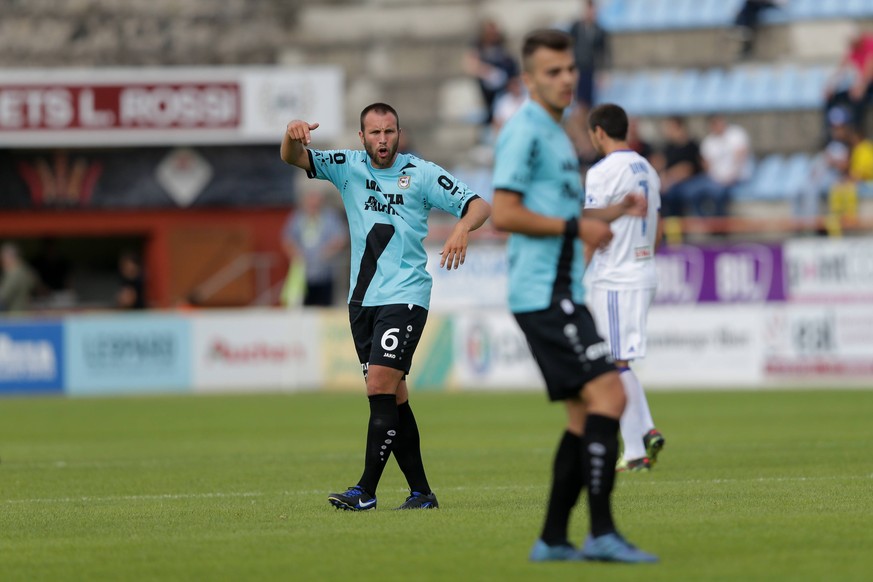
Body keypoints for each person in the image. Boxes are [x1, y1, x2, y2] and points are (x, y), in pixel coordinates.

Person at [490, 29, 657, 563]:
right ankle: (602, 533)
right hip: (541, 293)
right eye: (552, 72)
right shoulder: (526, 133)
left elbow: (565, 215)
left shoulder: (559, 136)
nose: (565, 79)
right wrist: (577, 232)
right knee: (612, 395)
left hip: (560, 290)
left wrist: (609, 214)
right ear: (529, 79)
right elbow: (507, 213)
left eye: (569, 70)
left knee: (583, 417)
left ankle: (553, 539)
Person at [280, 102, 491, 511]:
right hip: (362, 302)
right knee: (393, 396)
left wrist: (462, 227)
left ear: (400, 133)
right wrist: (291, 134)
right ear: (362, 137)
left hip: (405, 296)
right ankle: (421, 493)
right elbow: (293, 157)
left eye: (389, 132)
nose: (382, 140)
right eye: (374, 133)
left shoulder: (422, 173)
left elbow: (479, 205)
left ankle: (366, 491)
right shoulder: (347, 166)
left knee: (378, 386)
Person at [582, 103, 666, 473]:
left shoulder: (602, 172)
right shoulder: (647, 167)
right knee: (617, 360)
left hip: (616, 276)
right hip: (642, 270)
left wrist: (574, 273)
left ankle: (635, 450)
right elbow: (658, 225)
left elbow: (593, 225)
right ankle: (644, 431)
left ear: (598, 131)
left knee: (614, 362)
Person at [281, 190, 348, 307]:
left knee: (326, 306)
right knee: (303, 307)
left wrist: (328, 251)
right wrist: (296, 254)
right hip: (303, 274)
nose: (313, 205)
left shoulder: (330, 217)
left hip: (326, 272)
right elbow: (287, 239)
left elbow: (341, 238)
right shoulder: (296, 218)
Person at [659, 116, 726, 217]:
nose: (667, 131)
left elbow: (687, 169)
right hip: (675, 186)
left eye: (670, 128)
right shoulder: (669, 148)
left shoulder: (692, 146)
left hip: (693, 182)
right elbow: (663, 166)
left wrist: (670, 178)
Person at [464, 20, 519, 126]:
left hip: (505, 93)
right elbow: (470, 65)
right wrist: (488, 73)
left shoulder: (503, 49)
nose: (493, 35)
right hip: (486, 95)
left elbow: (513, 70)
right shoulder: (479, 48)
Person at [823, 26, 873, 138]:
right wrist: (830, 85)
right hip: (862, 83)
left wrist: (861, 86)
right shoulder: (852, 49)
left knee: (858, 99)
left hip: (868, 84)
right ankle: (830, 132)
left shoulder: (870, 43)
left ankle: (857, 132)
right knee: (834, 97)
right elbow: (841, 69)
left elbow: (869, 67)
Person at [700, 113, 751, 216]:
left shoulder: (736, 135)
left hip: (736, 178)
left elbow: (740, 159)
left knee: (718, 193)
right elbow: (707, 166)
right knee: (694, 191)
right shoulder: (708, 142)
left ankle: (719, 222)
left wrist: (730, 177)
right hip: (716, 180)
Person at [568, 0, 610, 111]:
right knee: (578, 100)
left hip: (591, 69)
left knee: (590, 100)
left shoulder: (600, 31)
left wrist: (603, 72)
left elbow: (604, 53)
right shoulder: (576, 28)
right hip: (578, 68)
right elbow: (569, 47)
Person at [0, 242, 38, 313]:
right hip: (24, 312)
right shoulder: (25, 269)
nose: (2, 262)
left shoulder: (14, 273)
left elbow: (3, 296)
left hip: (14, 315)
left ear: (9, 257)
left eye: (3, 258)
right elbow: (35, 283)